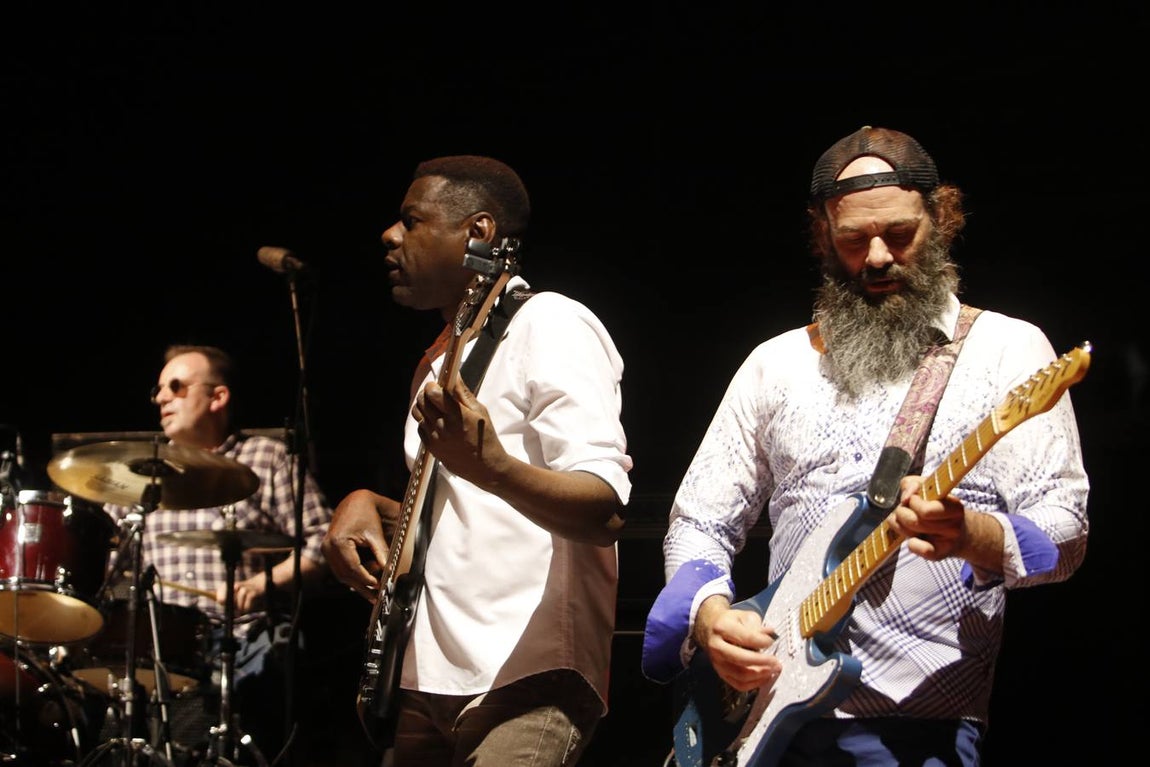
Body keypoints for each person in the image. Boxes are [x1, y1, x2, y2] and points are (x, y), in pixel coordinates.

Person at [641, 126, 1089, 765]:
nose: (877, 257)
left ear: (941, 218)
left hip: (919, 727)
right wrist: (712, 618)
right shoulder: (776, 364)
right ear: (823, 235)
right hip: (762, 719)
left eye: (899, 235)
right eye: (853, 240)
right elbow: (700, 523)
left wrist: (972, 534)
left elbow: (1066, 532)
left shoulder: (1007, 350)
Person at [321, 155, 632, 765]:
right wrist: (370, 505)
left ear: (479, 232)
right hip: (423, 682)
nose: (390, 235)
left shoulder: (550, 323)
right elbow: (462, 511)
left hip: (525, 678)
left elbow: (604, 507)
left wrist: (493, 467)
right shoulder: (440, 361)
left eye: (411, 221)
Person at [98, 343, 334, 766]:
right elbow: (104, 557)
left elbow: (326, 541)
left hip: (241, 640)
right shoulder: (142, 474)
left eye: (176, 386)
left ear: (217, 397)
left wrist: (265, 583)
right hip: (159, 647)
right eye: (158, 390)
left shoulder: (265, 458)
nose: (162, 397)